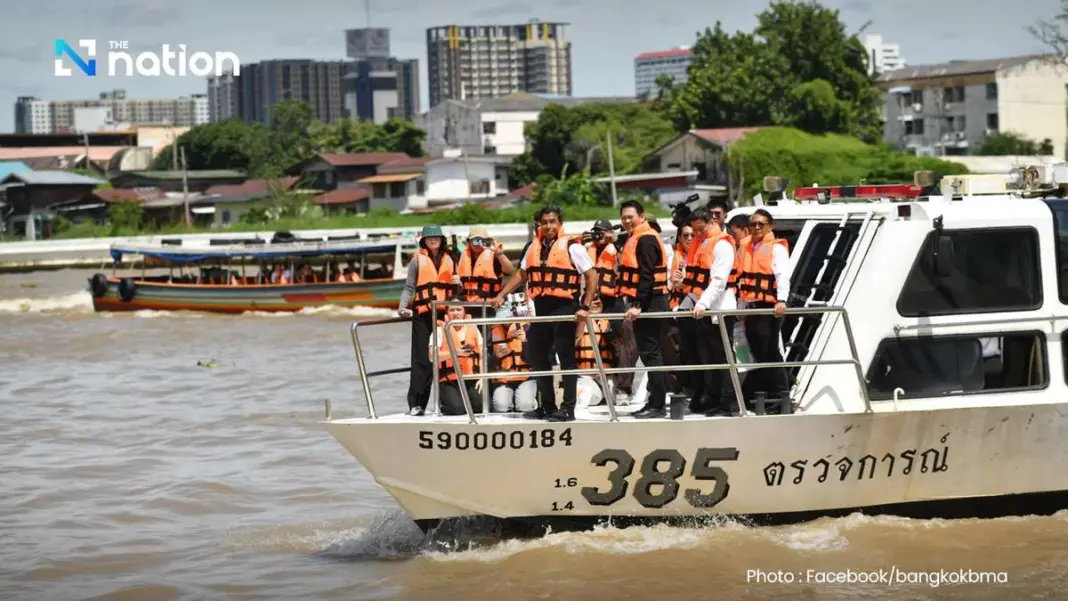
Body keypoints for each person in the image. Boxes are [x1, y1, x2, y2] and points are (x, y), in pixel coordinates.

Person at [492, 205, 597, 422]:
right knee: (538, 356)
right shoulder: (533, 248)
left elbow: (592, 276)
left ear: (559, 223)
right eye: (544, 222)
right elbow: (521, 274)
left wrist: (585, 306)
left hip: (565, 308)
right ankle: (547, 406)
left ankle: (568, 409)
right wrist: (502, 293)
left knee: (566, 358)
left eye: (552, 222)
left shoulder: (572, 247)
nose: (548, 226)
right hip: (541, 308)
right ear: (539, 224)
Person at [617, 199, 671, 419]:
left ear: (641, 216)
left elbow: (647, 275)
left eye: (631, 217)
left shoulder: (646, 239)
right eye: (623, 218)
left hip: (651, 303)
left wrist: (638, 304)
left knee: (651, 353)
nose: (627, 221)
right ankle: (654, 401)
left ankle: (657, 404)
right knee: (649, 354)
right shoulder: (634, 237)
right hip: (645, 302)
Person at [397, 224, 456, 416]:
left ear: (441, 240)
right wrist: (403, 307)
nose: (433, 240)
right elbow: (409, 287)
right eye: (430, 238)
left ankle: (447, 403)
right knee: (421, 359)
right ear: (424, 240)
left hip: (442, 315)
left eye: (437, 238)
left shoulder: (450, 259)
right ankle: (416, 403)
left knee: (443, 358)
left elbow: (456, 290)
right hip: (422, 315)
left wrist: (459, 284)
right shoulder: (417, 260)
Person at [737, 209, 792, 407]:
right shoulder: (748, 247)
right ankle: (761, 396)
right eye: (753, 224)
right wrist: (741, 307)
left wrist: (782, 300)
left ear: (770, 226)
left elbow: (782, 276)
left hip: (770, 307)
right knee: (756, 352)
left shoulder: (776, 248)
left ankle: (782, 398)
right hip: (752, 306)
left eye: (761, 224)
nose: (757, 227)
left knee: (770, 352)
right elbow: (743, 280)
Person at [692, 217, 740, 416]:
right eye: (695, 231)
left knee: (724, 356)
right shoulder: (705, 243)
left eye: (701, 229)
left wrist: (703, 302)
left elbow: (719, 280)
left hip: (720, 308)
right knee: (711, 356)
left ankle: (729, 403)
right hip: (706, 309)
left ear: (712, 222)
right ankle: (716, 400)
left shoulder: (722, 245)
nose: (698, 234)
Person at [432, 303, 485, 415]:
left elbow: (482, 355)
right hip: (449, 380)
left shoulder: (473, 328)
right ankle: (445, 404)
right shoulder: (439, 331)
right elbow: (432, 356)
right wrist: (456, 352)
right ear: (447, 313)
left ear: (464, 311)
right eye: (452, 310)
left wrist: (482, 378)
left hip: (471, 378)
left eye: (459, 309)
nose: (456, 313)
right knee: (457, 409)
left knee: (480, 405)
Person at [457, 225, 514, 303]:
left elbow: (510, 271)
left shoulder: (494, 255)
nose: (478, 244)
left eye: (481, 240)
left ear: (486, 241)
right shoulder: (462, 256)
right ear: (469, 242)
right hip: (467, 305)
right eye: (475, 241)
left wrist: (500, 254)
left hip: (489, 304)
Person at [575, 312, 615, 409]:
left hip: (604, 373)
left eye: (598, 299)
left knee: (612, 396)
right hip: (585, 373)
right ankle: (573, 392)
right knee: (593, 397)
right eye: (593, 300)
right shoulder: (579, 322)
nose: (596, 302)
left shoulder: (607, 321)